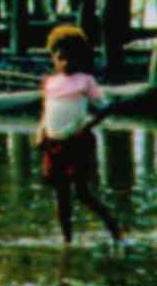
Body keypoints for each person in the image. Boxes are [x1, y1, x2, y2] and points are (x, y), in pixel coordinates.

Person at [37, 24, 124, 247]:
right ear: (53, 58)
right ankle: (67, 240)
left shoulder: (85, 81)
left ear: (79, 57)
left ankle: (115, 229)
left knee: (83, 193)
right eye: (60, 58)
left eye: (69, 57)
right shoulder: (50, 83)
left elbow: (105, 107)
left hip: (77, 142)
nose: (64, 62)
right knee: (61, 195)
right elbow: (46, 112)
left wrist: (88, 126)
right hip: (53, 142)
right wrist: (40, 132)